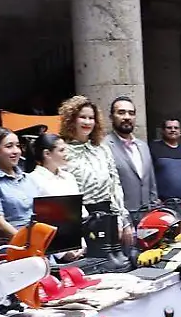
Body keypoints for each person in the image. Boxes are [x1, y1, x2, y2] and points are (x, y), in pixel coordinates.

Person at [58, 95, 132, 250]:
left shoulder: (102, 149)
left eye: (91, 118)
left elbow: (115, 185)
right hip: (79, 217)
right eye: (82, 117)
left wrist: (122, 220)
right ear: (71, 119)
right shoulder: (62, 150)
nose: (87, 122)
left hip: (107, 213)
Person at [0, 127, 36, 237]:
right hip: (11, 243)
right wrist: (25, 241)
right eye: (9, 146)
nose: (16, 151)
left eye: (17, 146)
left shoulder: (28, 178)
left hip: (37, 237)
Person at [105, 97, 158, 216]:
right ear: (111, 117)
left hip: (146, 216)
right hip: (121, 217)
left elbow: (151, 183)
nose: (127, 117)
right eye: (121, 113)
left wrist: (154, 210)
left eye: (131, 113)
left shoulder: (143, 146)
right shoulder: (104, 146)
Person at [28, 132, 82, 197]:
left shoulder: (69, 177)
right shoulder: (32, 180)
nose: (66, 153)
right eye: (62, 150)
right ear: (47, 154)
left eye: (66, 149)